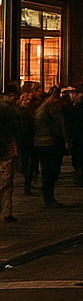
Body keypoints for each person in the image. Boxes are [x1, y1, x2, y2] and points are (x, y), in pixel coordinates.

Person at [34, 87, 68, 207]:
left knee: (46, 171)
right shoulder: (52, 112)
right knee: (51, 171)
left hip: (40, 143)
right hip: (50, 143)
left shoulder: (41, 110)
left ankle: (48, 196)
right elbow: (59, 128)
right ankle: (49, 197)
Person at [0, 86, 20, 223]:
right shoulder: (9, 110)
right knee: (6, 183)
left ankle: (6, 211)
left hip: (6, 149)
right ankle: (6, 211)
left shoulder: (6, 109)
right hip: (7, 149)